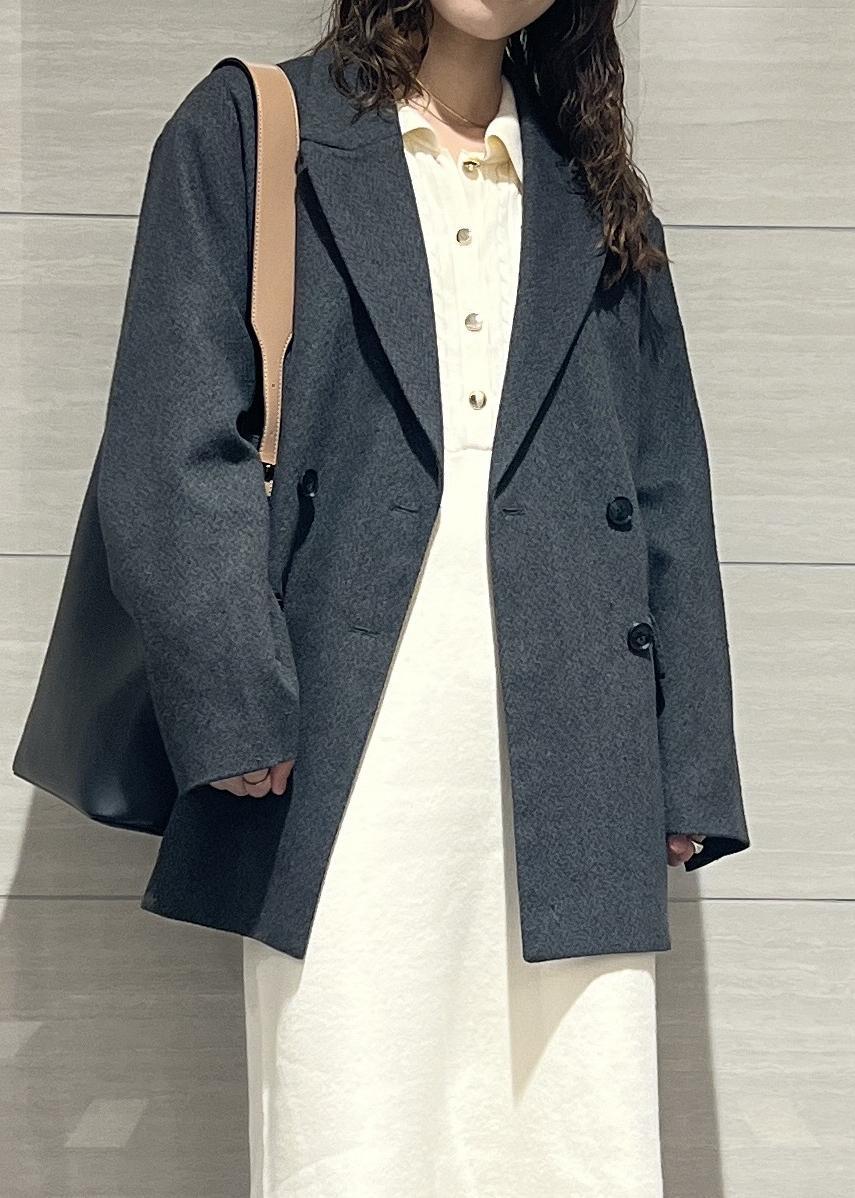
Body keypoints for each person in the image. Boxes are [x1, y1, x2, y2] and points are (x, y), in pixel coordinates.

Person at [97, 2, 750, 1194]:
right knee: (351, 1129)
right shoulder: (254, 128)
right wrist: (234, 698)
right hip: (341, 745)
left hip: (581, 750)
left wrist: (686, 763)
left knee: (574, 1139)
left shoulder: (594, 191)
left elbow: (666, 483)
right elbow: (173, 441)